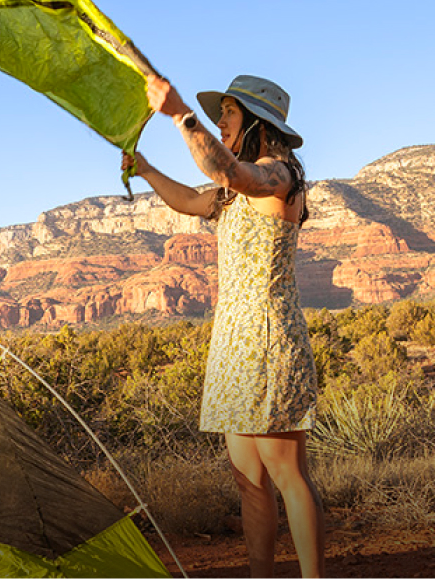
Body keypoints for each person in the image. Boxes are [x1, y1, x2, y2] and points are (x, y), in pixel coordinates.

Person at [127, 74, 324, 577]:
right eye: (219, 116)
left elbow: (227, 169)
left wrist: (180, 115)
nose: (220, 122)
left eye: (229, 114)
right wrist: (145, 169)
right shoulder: (232, 194)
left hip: (268, 339)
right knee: (248, 480)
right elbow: (187, 200)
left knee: (287, 474)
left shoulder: (276, 176)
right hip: (234, 344)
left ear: (258, 123)